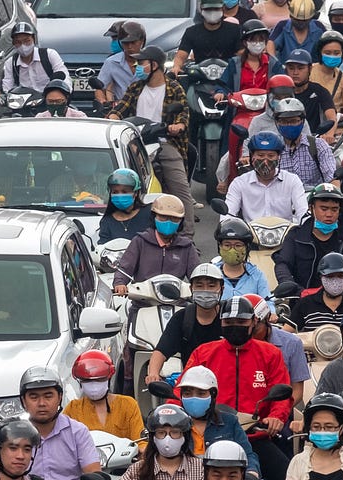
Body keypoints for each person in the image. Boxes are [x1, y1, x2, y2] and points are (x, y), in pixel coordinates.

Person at [184, 296, 292, 480]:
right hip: (212, 434)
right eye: (229, 322)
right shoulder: (203, 352)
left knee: (288, 474)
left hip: (256, 437)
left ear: (254, 321)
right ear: (221, 323)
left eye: (241, 321)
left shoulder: (270, 353)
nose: (235, 325)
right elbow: (182, 389)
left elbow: (281, 393)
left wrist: (276, 417)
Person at [107, 47, 193, 236]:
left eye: (142, 63)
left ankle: (187, 236)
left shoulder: (174, 88)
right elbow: (122, 107)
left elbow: (183, 114)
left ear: (154, 65)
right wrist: (113, 116)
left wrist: (177, 126)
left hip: (166, 142)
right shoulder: (136, 87)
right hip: (137, 145)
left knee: (181, 189)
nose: (138, 66)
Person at [275, 184, 343, 289]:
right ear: (311, 208)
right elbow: (282, 264)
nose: (329, 214)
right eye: (324, 209)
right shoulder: (296, 235)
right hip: (305, 298)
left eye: (334, 209)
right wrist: (291, 288)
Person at [171, 367, 260, 478]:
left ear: (213, 395)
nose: (194, 398)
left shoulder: (230, 422)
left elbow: (248, 455)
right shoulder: (174, 424)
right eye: (188, 394)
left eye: (201, 393)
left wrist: (252, 473)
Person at [18, 367, 102, 480]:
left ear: (60, 397)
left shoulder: (77, 432)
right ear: (23, 401)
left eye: (48, 396)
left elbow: (94, 474)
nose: (42, 403)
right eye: (34, 397)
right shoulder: (13, 434)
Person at [147, 263, 227, 383]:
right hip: (191, 386)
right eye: (199, 286)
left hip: (226, 383)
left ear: (222, 288)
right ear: (191, 289)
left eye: (211, 286)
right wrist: (153, 374)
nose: (205, 291)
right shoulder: (182, 318)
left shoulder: (228, 316)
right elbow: (161, 351)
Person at [112, 194, 198, 296]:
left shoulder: (186, 246)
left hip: (176, 302)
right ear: (154, 217)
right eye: (163, 217)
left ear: (181, 221)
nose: (168, 222)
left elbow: (196, 274)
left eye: (174, 219)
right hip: (143, 302)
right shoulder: (140, 241)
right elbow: (125, 268)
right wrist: (120, 283)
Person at [287, 393, 343, 480]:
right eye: (316, 427)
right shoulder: (298, 462)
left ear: (341, 429)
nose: (322, 431)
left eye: (329, 427)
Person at [225, 131, 308, 224]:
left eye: (271, 156)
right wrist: (226, 223)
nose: (265, 161)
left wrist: (306, 224)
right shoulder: (239, 183)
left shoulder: (292, 181)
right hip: (251, 236)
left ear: (279, 157)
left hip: (285, 235)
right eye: (260, 155)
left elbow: (302, 211)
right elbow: (228, 213)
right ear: (252, 157)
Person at [66, 351, 145, 442]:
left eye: (100, 379)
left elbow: (141, 443)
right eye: (87, 380)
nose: (94, 386)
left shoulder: (128, 405)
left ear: (109, 378)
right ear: (80, 382)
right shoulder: (73, 409)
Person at [120, 404, 204, 480]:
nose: (167, 438)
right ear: (153, 437)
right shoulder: (136, 471)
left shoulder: (200, 468)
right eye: (161, 432)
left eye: (174, 432)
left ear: (184, 436)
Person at [0, 22, 69, 100]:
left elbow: (64, 78)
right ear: (13, 44)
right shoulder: (11, 63)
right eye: (18, 42)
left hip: (49, 101)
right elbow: (7, 86)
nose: (23, 45)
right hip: (23, 104)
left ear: (34, 40)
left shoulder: (49, 55)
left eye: (27, 41)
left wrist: (61, 93)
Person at [291, 253, 343, 330]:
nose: (335, 281)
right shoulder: (305, 304)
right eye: (330, 276)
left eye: (341, 276)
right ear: (321, 277)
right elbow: (285, 335)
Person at [174, 0, 244, 75]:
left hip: (229, 76)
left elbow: (242, 53)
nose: (212, 12)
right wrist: (176, 67)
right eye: (208, 9)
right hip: (200, 77)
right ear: (201, 10)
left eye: (216, 9)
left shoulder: (235, 30)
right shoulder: (191, 32)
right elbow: (181, 55)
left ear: (223, 9)